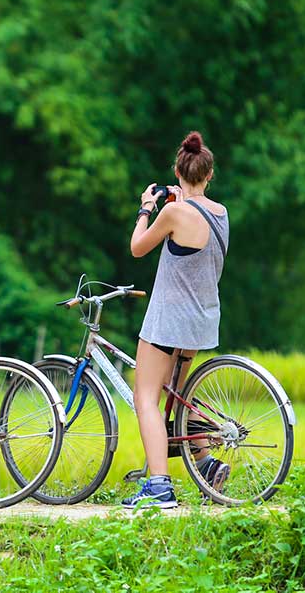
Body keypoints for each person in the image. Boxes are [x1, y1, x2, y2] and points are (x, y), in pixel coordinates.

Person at [123, 131, 230, 510]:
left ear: (177, 170)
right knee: (176, 397)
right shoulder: (220, 213)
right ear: (210, 173)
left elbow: (138, 248)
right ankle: (206, 462)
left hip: (168, 319)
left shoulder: (172, 212)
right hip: (202, 319)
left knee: (145, 398)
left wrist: (146, 208)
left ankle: (158, 486)